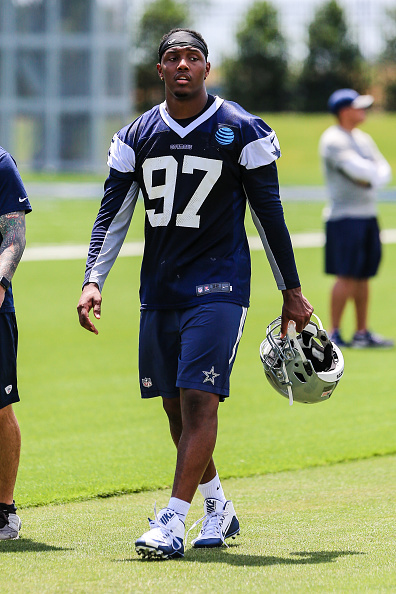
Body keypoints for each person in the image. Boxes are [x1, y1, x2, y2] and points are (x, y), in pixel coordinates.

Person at [77, 28, 313, 559]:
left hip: (221, 284)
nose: (182, 65)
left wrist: (290, 291)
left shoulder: (241, 129)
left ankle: (171, 521)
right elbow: (111, 215)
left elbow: (269, 216)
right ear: (159, 71)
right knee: (175, 411)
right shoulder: (135, 136)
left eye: (193, 57)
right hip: (160, 288)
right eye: (171, 58)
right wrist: (93, 279)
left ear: (208, 68)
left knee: (201, 399)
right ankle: (217, 505)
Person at [320, 88, 393, 349]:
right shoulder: (333, 139)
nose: (363, 111)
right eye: (357, 106)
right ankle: (334, 332)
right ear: (344, 111)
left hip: (367, 215)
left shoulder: (363, 138)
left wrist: (373, 175)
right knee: (347, 275)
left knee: (363, 275)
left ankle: (362, 333)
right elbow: (359, 170)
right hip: (345, 217)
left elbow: (384, 172)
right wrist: (373, 174)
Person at [0, 147, 31, 540]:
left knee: (0, 407)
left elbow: (14, 235)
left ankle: (4, 510)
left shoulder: (1, 164)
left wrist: (1, 279)